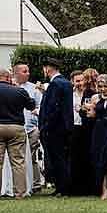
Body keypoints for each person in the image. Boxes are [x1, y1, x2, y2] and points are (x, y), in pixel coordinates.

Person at [37, 58, 74, 196]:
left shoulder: (55, 84)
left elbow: (53, 108)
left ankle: (62, 188)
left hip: (55, 128)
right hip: (64, 127)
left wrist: (45, 126)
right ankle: (61, 187)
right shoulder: (65, 83)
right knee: (61, 158)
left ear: (48, 68)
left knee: (57, 159)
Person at [0, 67, 36, 197]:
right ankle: (20, 192)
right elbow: (31, 105)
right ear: (8, 77)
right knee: (18, 162)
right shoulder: (20, 91)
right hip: (16, 127)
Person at [14, 64, 43, 189]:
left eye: (28, 71)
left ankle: (35, 183)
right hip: (16, 128)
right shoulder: (11, 87)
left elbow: (41, 106)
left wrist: (35, 113)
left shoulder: (33, 89)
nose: (28, 73)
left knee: (31, 156)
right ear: (16, 73)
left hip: (31, 129)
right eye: (25, 71)